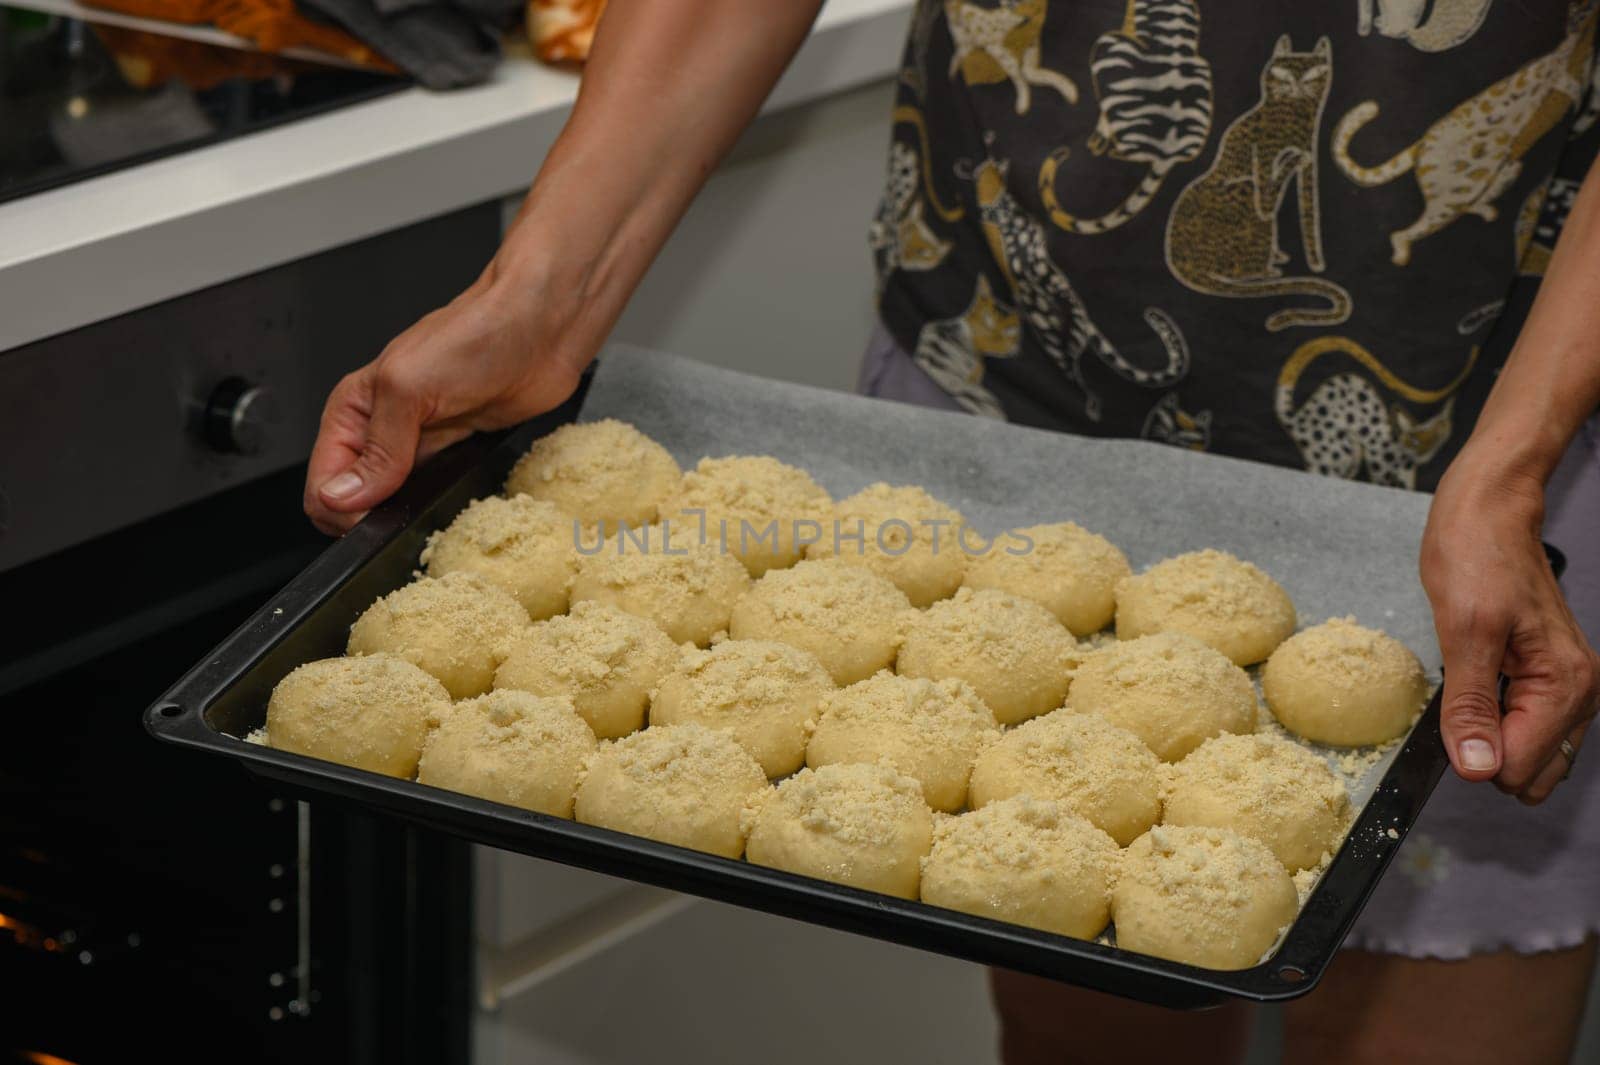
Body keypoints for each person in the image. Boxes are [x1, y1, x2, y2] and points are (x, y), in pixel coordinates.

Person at [304, 2, 1600, 1061]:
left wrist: (1513, 464)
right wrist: (536, 294)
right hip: (1007, 383)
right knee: (1077, 993)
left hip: (1495, 431)